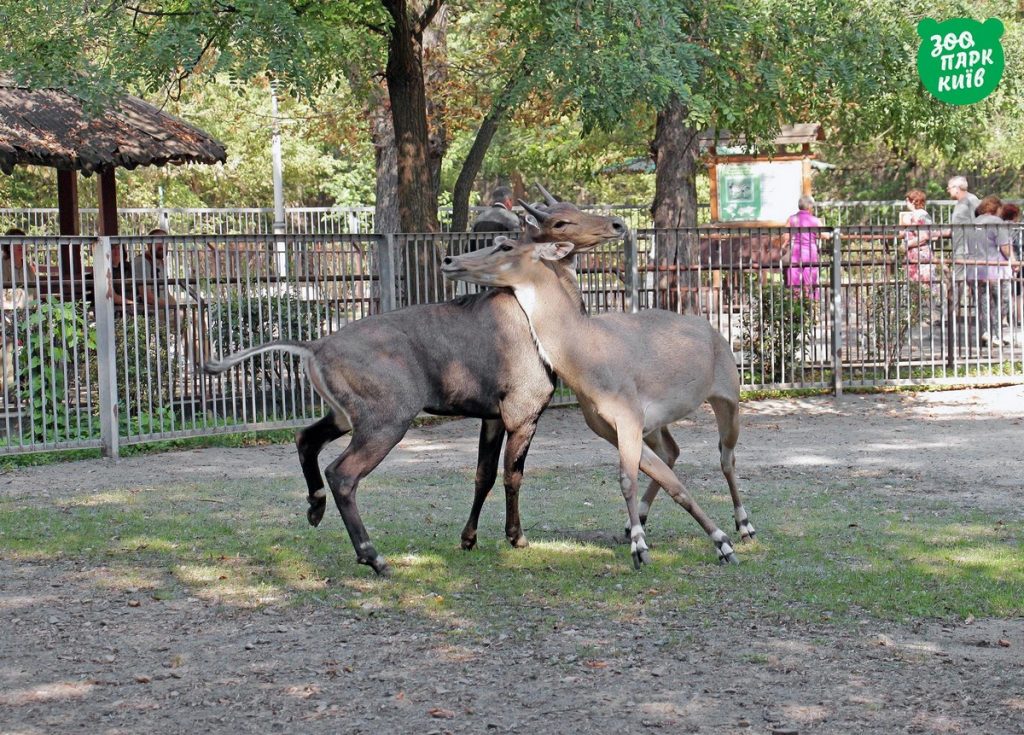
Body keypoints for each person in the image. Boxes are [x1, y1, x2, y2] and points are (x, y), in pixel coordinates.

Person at [970, 196, 1013, 346]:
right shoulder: (997, 223)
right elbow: (1005, 249)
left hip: (975, 269)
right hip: (996, 269)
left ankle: (986, 332)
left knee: (983, 303)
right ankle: (996, 335)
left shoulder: (972, 223)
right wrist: (1012, 258)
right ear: (995, 208)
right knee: (1001, 302)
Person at [1, 228, 38, 400]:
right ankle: (10, 393)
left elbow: (34, 292)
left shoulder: (27, 266)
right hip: (7, 316)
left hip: (27, 315)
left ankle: (27, 390)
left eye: (23, 242)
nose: (21, 246)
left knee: (29, 352)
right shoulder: (2, 265)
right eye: (17, 243)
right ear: (8, 245)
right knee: (9, 353)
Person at [947, 175, 980, 308]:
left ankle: (952, 313)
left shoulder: (971, 201)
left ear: (956, 188)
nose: (948, 191)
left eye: (949, 188)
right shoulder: (962, 202)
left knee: (966, 280)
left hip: (968, 248)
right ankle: (951, 313)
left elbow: (978, 223)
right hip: (961, 247)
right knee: (959, 280)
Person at [783, 194, 822, 299]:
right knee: (811, 279)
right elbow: (824, 235)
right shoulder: (815, 220)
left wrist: (784, 245)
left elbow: (785, 236)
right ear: (809, 206)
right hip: (811, 252)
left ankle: (795, 304)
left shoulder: (791, 219)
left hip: (796, 251)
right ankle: (811, 302)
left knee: (794, 277)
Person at [131, 228, 177, 311]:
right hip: (150, 312)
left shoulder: (160, 263)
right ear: (148, 243)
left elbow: (166, 293)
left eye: (166, 242)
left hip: (163, 309)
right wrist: (171, 307)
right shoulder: (142, 262)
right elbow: (147, 297)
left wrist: (178, 308)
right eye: (158, 241)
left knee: (195, 317)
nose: (162, 245)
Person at [901, 189, 937, 284]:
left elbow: (923, 236)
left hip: (918, 255)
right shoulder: (925, 214)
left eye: (907, 201)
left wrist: (906, 245)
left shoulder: (917, 215)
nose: (906, 203)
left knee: (920, 286)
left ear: (913, 201)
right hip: (924, 254)